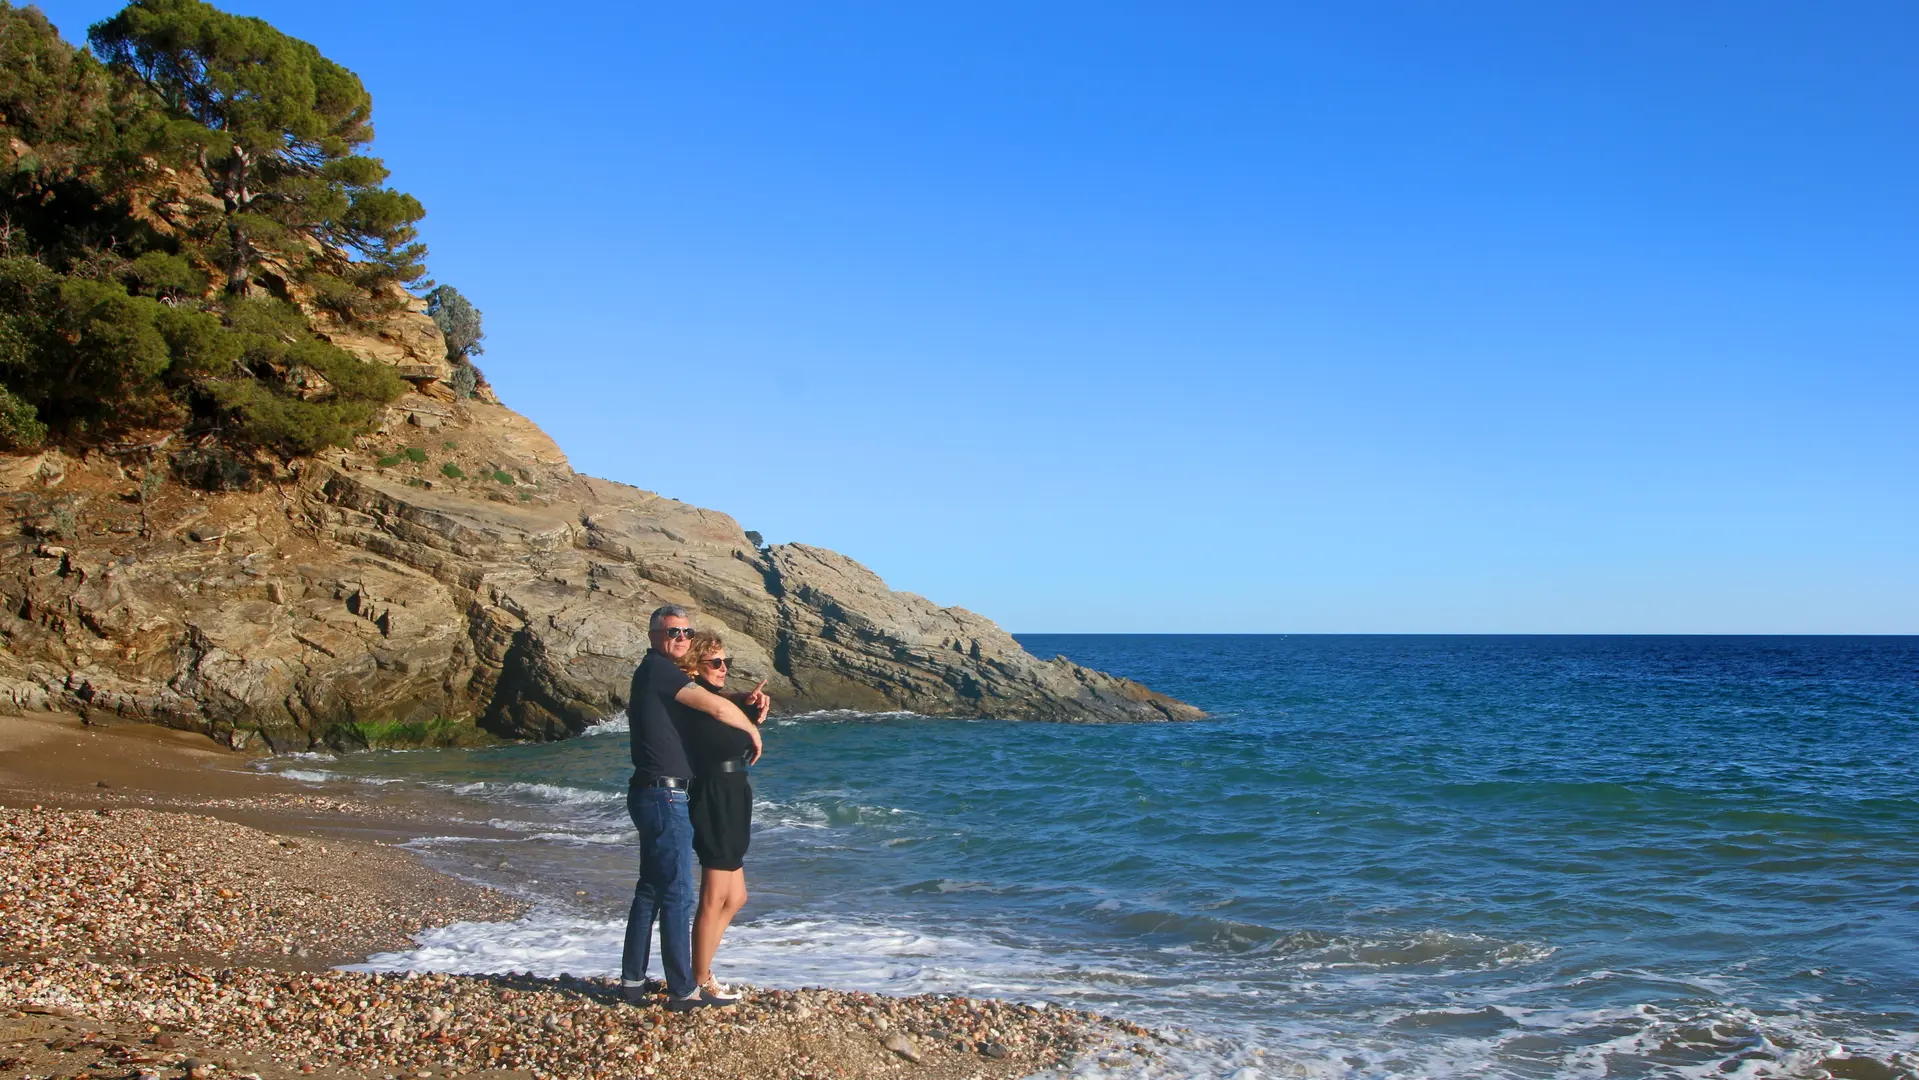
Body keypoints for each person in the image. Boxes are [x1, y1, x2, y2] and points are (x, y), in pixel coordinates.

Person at [621, 605, 762, 1010]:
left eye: (686, 632)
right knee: (678, 895)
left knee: (650, 890)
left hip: (654, 791)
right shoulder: (660, 670)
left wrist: (742, 699)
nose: (680, 638)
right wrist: (752, 728)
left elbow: (712, 697)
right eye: (672, 632)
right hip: (664, 795)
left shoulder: (658, 675)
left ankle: (632, 980)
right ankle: (684, 989)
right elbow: (714, 707)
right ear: (654, 636)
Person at [673, 632, 769, 1002]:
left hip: (733, 793)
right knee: (714, 896)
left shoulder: (715, 698)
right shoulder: (693, 700)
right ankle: (700, 978)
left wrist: (751, 704)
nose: (723, 668)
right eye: (715, 662)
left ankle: (703, 970)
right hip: (713, 794)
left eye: (725, 662)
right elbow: (712, 707)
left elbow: (725, 705)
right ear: (695, 667)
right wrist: (747, 720)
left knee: (737, 896)